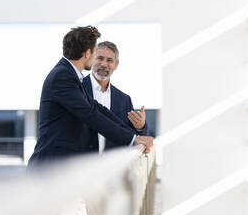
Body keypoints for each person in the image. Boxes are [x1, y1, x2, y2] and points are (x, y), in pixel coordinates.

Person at [27, 26, 153, 174]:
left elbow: (96, 108)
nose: (96, 60)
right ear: (87, 53)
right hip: (50, 169)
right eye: (95, 53)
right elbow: (90, 114)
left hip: (63, 169)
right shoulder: (63, 76)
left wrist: (136, 137)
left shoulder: (69, 74)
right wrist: (133, 140)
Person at [82, 41, 148, 153]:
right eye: (100, 58)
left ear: (116, 65)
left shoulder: (124, 100)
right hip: (80, 165)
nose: (104, 64)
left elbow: (133, 138)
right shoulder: (77, 88)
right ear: (92, 59)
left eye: (109, 60)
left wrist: (140, 126)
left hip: (113, 167)